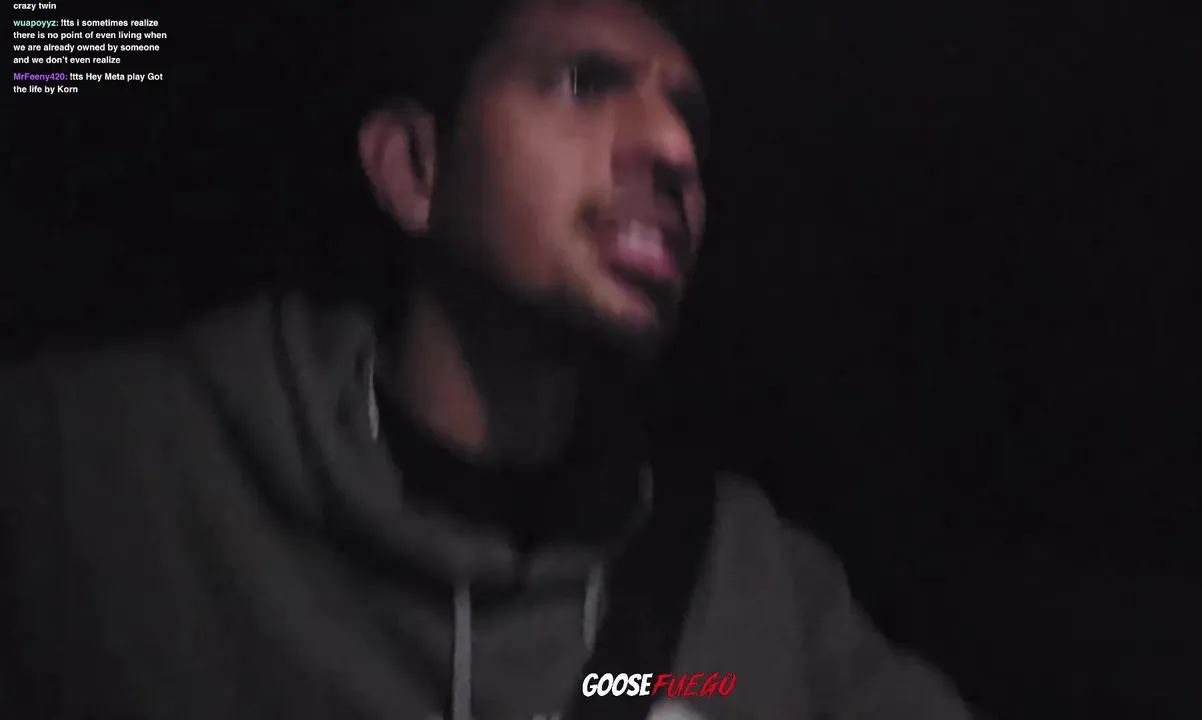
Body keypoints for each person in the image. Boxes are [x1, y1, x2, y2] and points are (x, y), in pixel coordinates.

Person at [0, 0, 971, 718]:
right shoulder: (95, 469)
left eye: (692, 122)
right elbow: (38, 46)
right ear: (415, 169)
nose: (675, 148)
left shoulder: (747, 575)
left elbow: (714, 684)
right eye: (583, 85)